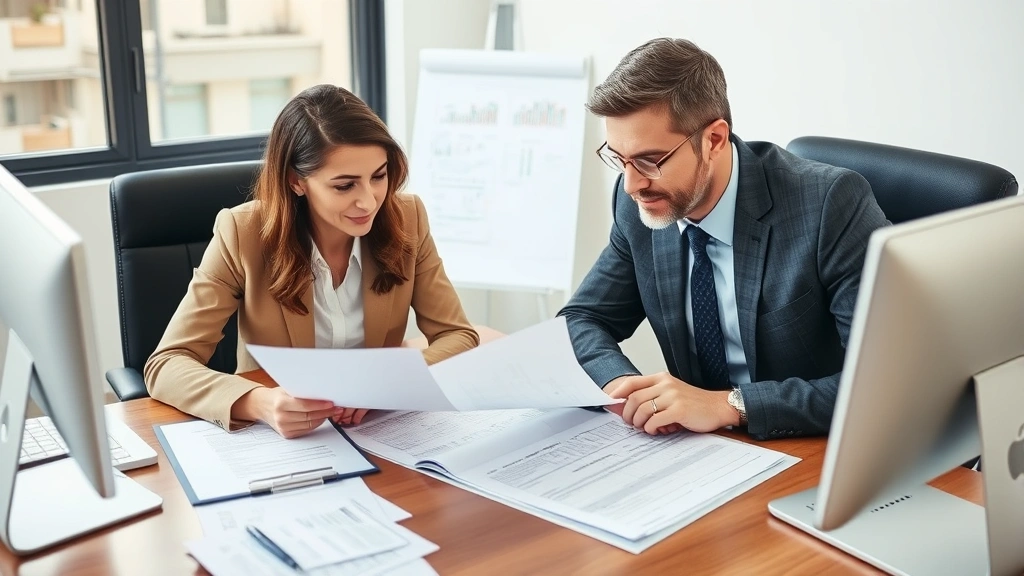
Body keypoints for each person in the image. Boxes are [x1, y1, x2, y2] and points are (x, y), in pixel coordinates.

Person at [558, 38, 889, 441]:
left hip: (815, 448)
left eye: (650, 160)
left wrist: (728, 405)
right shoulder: (638, 205)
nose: (632, 184)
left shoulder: (828, 204)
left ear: (714, 139)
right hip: (703, 452)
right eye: (619, 158)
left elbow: (883, 379)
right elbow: (581, 320)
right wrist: (626, 388)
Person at [145, 84, 479, 438]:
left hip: (375, 430)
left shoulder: (407, 217)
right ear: (296, 181)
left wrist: (386, 385)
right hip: (287, 437)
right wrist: (259, 403)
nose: (369, 202)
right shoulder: (242, 233)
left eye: (378, 176)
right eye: (344, 186)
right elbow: (166, 364)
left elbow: (457, 335)